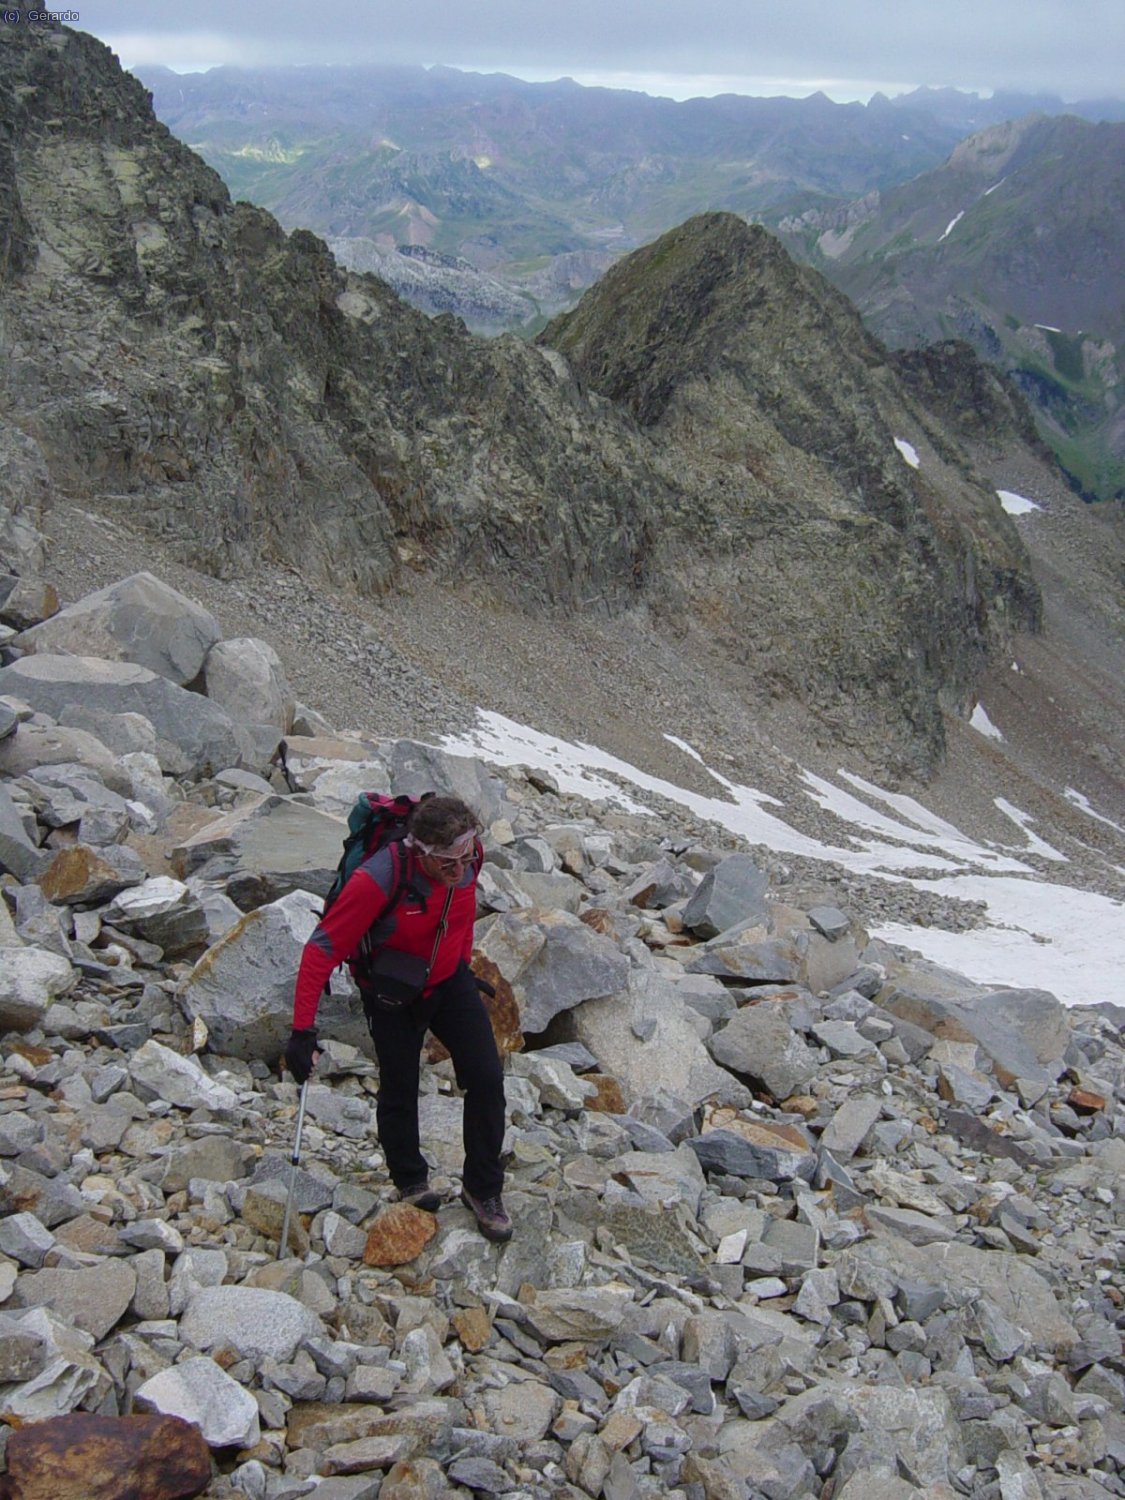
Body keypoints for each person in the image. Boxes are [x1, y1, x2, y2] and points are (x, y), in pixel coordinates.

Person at [284, 794, 511, 1242]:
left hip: (448, 980)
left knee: (486, 1078)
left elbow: (461, 915)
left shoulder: (470, 859)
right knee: (400, 1084)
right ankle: (411, 1180)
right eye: (449, 860)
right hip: (390, 991)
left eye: (467, 854)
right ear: (419, 850)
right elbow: (322, 949)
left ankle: (483, 1189)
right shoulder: (379, 879)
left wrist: (462, 963)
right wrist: (301, 1031)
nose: (461, 868)